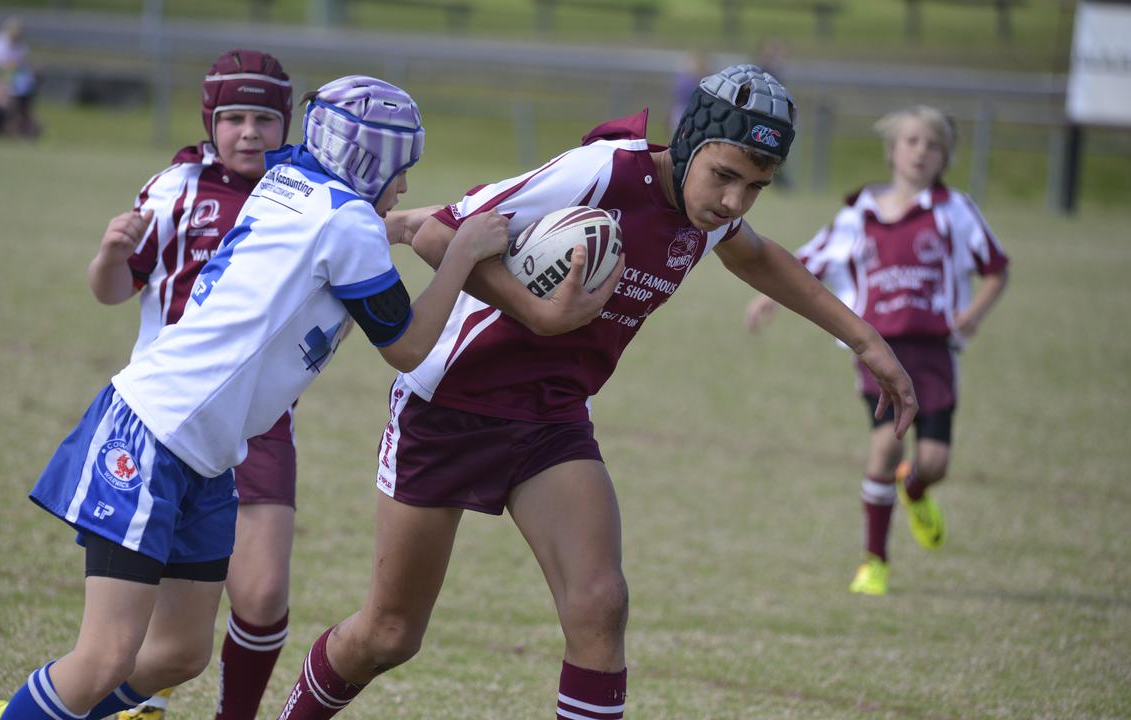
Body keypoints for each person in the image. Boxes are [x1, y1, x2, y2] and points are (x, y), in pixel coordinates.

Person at [272, 64, 917, 719]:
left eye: (755, 187)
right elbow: (444, 233)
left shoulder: (708, 215)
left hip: (551, 416)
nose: (733, 202)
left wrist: (866, 341)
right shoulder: (603, 170)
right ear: (689, 144)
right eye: (724, 176)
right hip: (450, 406)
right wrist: (534, 310)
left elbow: (755, 254)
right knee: (389, 635)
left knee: (600, 605)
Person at [0, 74, 509, 720]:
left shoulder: (287, 185)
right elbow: (409, 346)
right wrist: (463, 255)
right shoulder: (347, 226)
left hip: (206, 454)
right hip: (154, 431)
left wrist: (393, 225)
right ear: (369, 158)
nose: (406, 185)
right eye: (401, 169)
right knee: (107, 655)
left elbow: (333, 237)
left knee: (177, 652)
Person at [80, 49, 296, 720]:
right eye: (233, 117)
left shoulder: (306, 197)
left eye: (264, 117)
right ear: (210, 118)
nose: (250, 132)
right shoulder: (177, 187)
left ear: (287, 124)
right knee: (138, 619)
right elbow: (113, 292)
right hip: (165, 418)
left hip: (258, 425)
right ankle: (113, 703)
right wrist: (112, 252)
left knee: (260, 597)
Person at [746, 104, 1009, 596]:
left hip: (935, 352)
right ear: (891, 151)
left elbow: (997, 267)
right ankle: (875, 561)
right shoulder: (859, 214)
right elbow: (807, 260)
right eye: (911, 141)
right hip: (877, 348)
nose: (921, 152)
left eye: (932, 145)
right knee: (886, 445)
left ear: (944, 158)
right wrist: (767, 296)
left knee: (934, 463)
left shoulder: (955, 211)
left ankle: (916, 489)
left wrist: (973, 313)